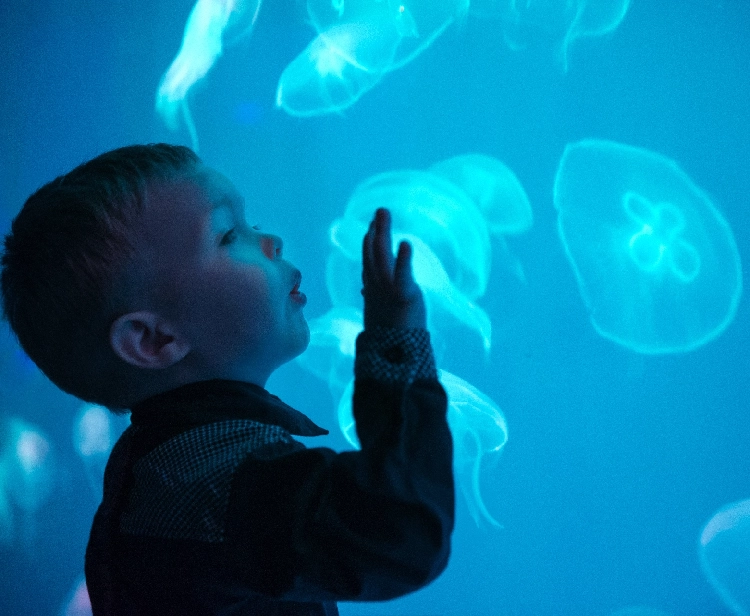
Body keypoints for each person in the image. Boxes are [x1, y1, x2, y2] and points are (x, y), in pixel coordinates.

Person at [0, 144, 454, 615]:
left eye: (252, 223)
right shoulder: (210, 484)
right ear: (153, 340)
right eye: (228, 235)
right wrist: (396, 344)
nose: (270, 239)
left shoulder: (166, 470)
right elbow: (403, 529)